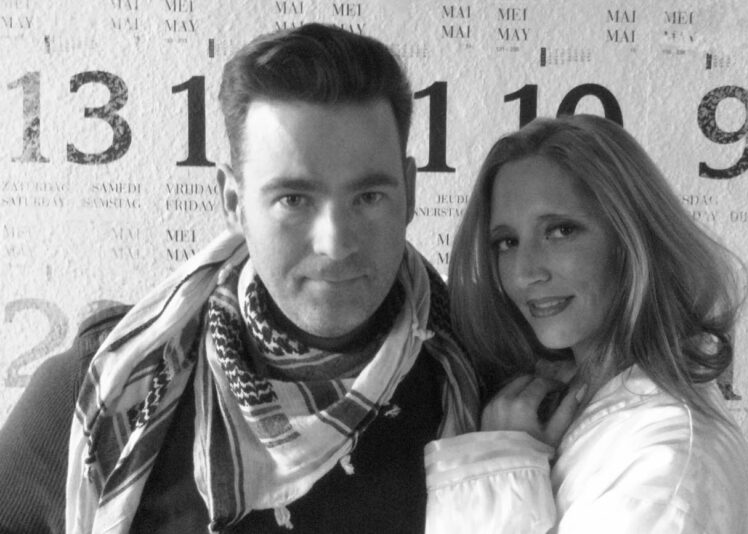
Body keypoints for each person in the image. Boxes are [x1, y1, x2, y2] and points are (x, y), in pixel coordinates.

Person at [0, 23, 478, 534]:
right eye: (293, 200)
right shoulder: (107, 391)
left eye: (368, 197)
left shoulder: (480, 383)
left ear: (410, 192)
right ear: (234, 202)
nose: (335, 243)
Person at [425, 115, 748, 533]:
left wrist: (500, 467)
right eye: (507, 242)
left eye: (561, 231)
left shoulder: (662, 467)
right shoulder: (589, 404)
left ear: (631, 238)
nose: (525, 272)